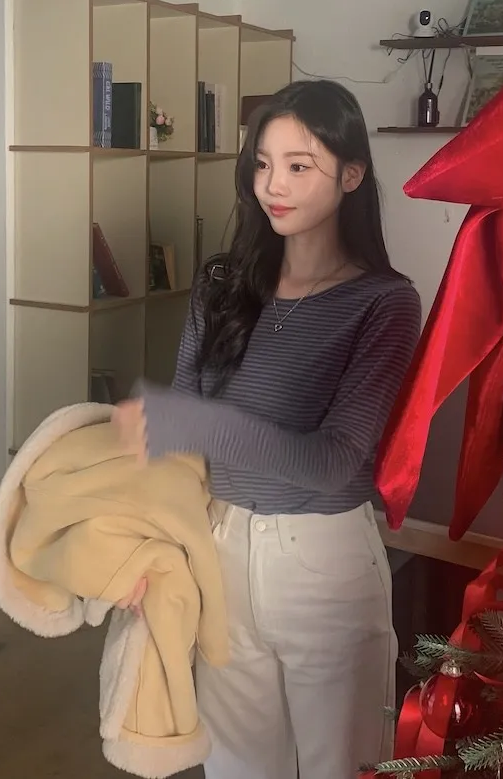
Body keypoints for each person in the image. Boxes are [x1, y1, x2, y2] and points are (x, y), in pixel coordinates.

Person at [112, 79, 421, 779]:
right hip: (219, 545)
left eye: (298, 165)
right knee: (235, 764)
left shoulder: (386, 304)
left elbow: (333, 461)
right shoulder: (221, 282)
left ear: (350, 174)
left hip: (323, 565)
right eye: (261, 163)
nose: (271, 185)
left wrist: (187, 420)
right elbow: (180, 443)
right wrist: (152, 545)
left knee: (341, 765)